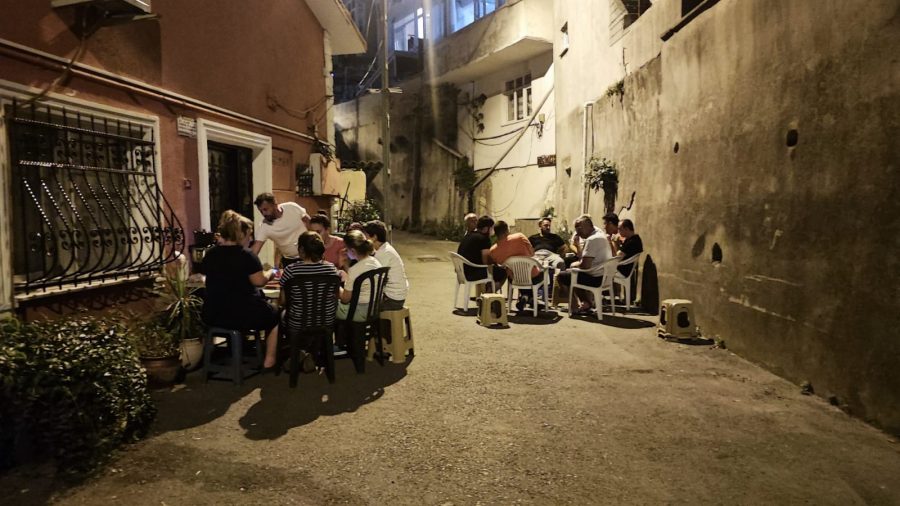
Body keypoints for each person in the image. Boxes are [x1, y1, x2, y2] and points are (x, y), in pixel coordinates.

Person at [201, 210, 280, 371]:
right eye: (249, 235)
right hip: (243, 313)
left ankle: (236, 353)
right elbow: (259, 282)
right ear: (240, 234)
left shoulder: (210, 254)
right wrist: (272, 273)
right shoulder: (246, 255)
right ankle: (269, 361)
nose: (250, 239)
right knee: (275, 315)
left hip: (213, 313)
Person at [280, 231, 341, 372]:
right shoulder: (331, 269)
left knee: (282, 315)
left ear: (301, 250)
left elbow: (283, 300)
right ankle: (309, 354)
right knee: (315, 318)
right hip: (326, 319)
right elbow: (334, 295)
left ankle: (298, 353)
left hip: (298, 320)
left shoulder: (291, 270)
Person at [556, 214, 614, 314]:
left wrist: (574, 265)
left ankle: (575, 307)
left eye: (578, 228)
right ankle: (586, 303)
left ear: (587, 226)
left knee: (562, 276)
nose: (577, 232)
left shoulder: (592, 240)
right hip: (604, 276)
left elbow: (585, 265)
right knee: (572, 274)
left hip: (596, 278)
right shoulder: (601, 236)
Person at [489, 221, 541, 311]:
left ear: (495, 233)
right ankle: (529, 298)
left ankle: (526, 296)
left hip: (515, 278)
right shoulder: (519, 237)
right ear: (507, 230)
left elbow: (501, 265)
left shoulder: (493, 250)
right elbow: (532, 253)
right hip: (533, 276)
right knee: (544, 273)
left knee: (513, 275)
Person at [250, 192, 310, 268]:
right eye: (261, 211)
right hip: (289, 261)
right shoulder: (264, 226)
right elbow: (255, 250)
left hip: (309, 256)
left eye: (265, 209)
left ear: (275, 205)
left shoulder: (291, 207)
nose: (264, 213)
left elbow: (309, 222)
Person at [336, 230, 383, 322]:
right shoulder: (374, 261)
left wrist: (336, 286)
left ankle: (341, 335)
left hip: (357, 312)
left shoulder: (356, 269)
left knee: (329, 307)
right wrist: (345, 264)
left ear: (352, 250)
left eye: (346, 248)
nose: (345, 250)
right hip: (374, 309)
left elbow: (345, 299)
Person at [363, 220, 409, 310]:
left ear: (374, 237)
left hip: (392, 300)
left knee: (362, 307)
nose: (364, 239)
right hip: (396, 296)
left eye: (366, 235)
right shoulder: (384, 249)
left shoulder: (383, 254)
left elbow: (373, 280)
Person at [457, 215, 506, 288]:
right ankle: (489, 295)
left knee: (493, 271)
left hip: (461, 272)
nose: (493, 231)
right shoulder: (483, 239)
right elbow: (486, 261)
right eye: (492, 228)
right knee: (503, 272)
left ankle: (484, 293)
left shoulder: (469, 235)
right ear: (486, 228)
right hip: (472, 274)